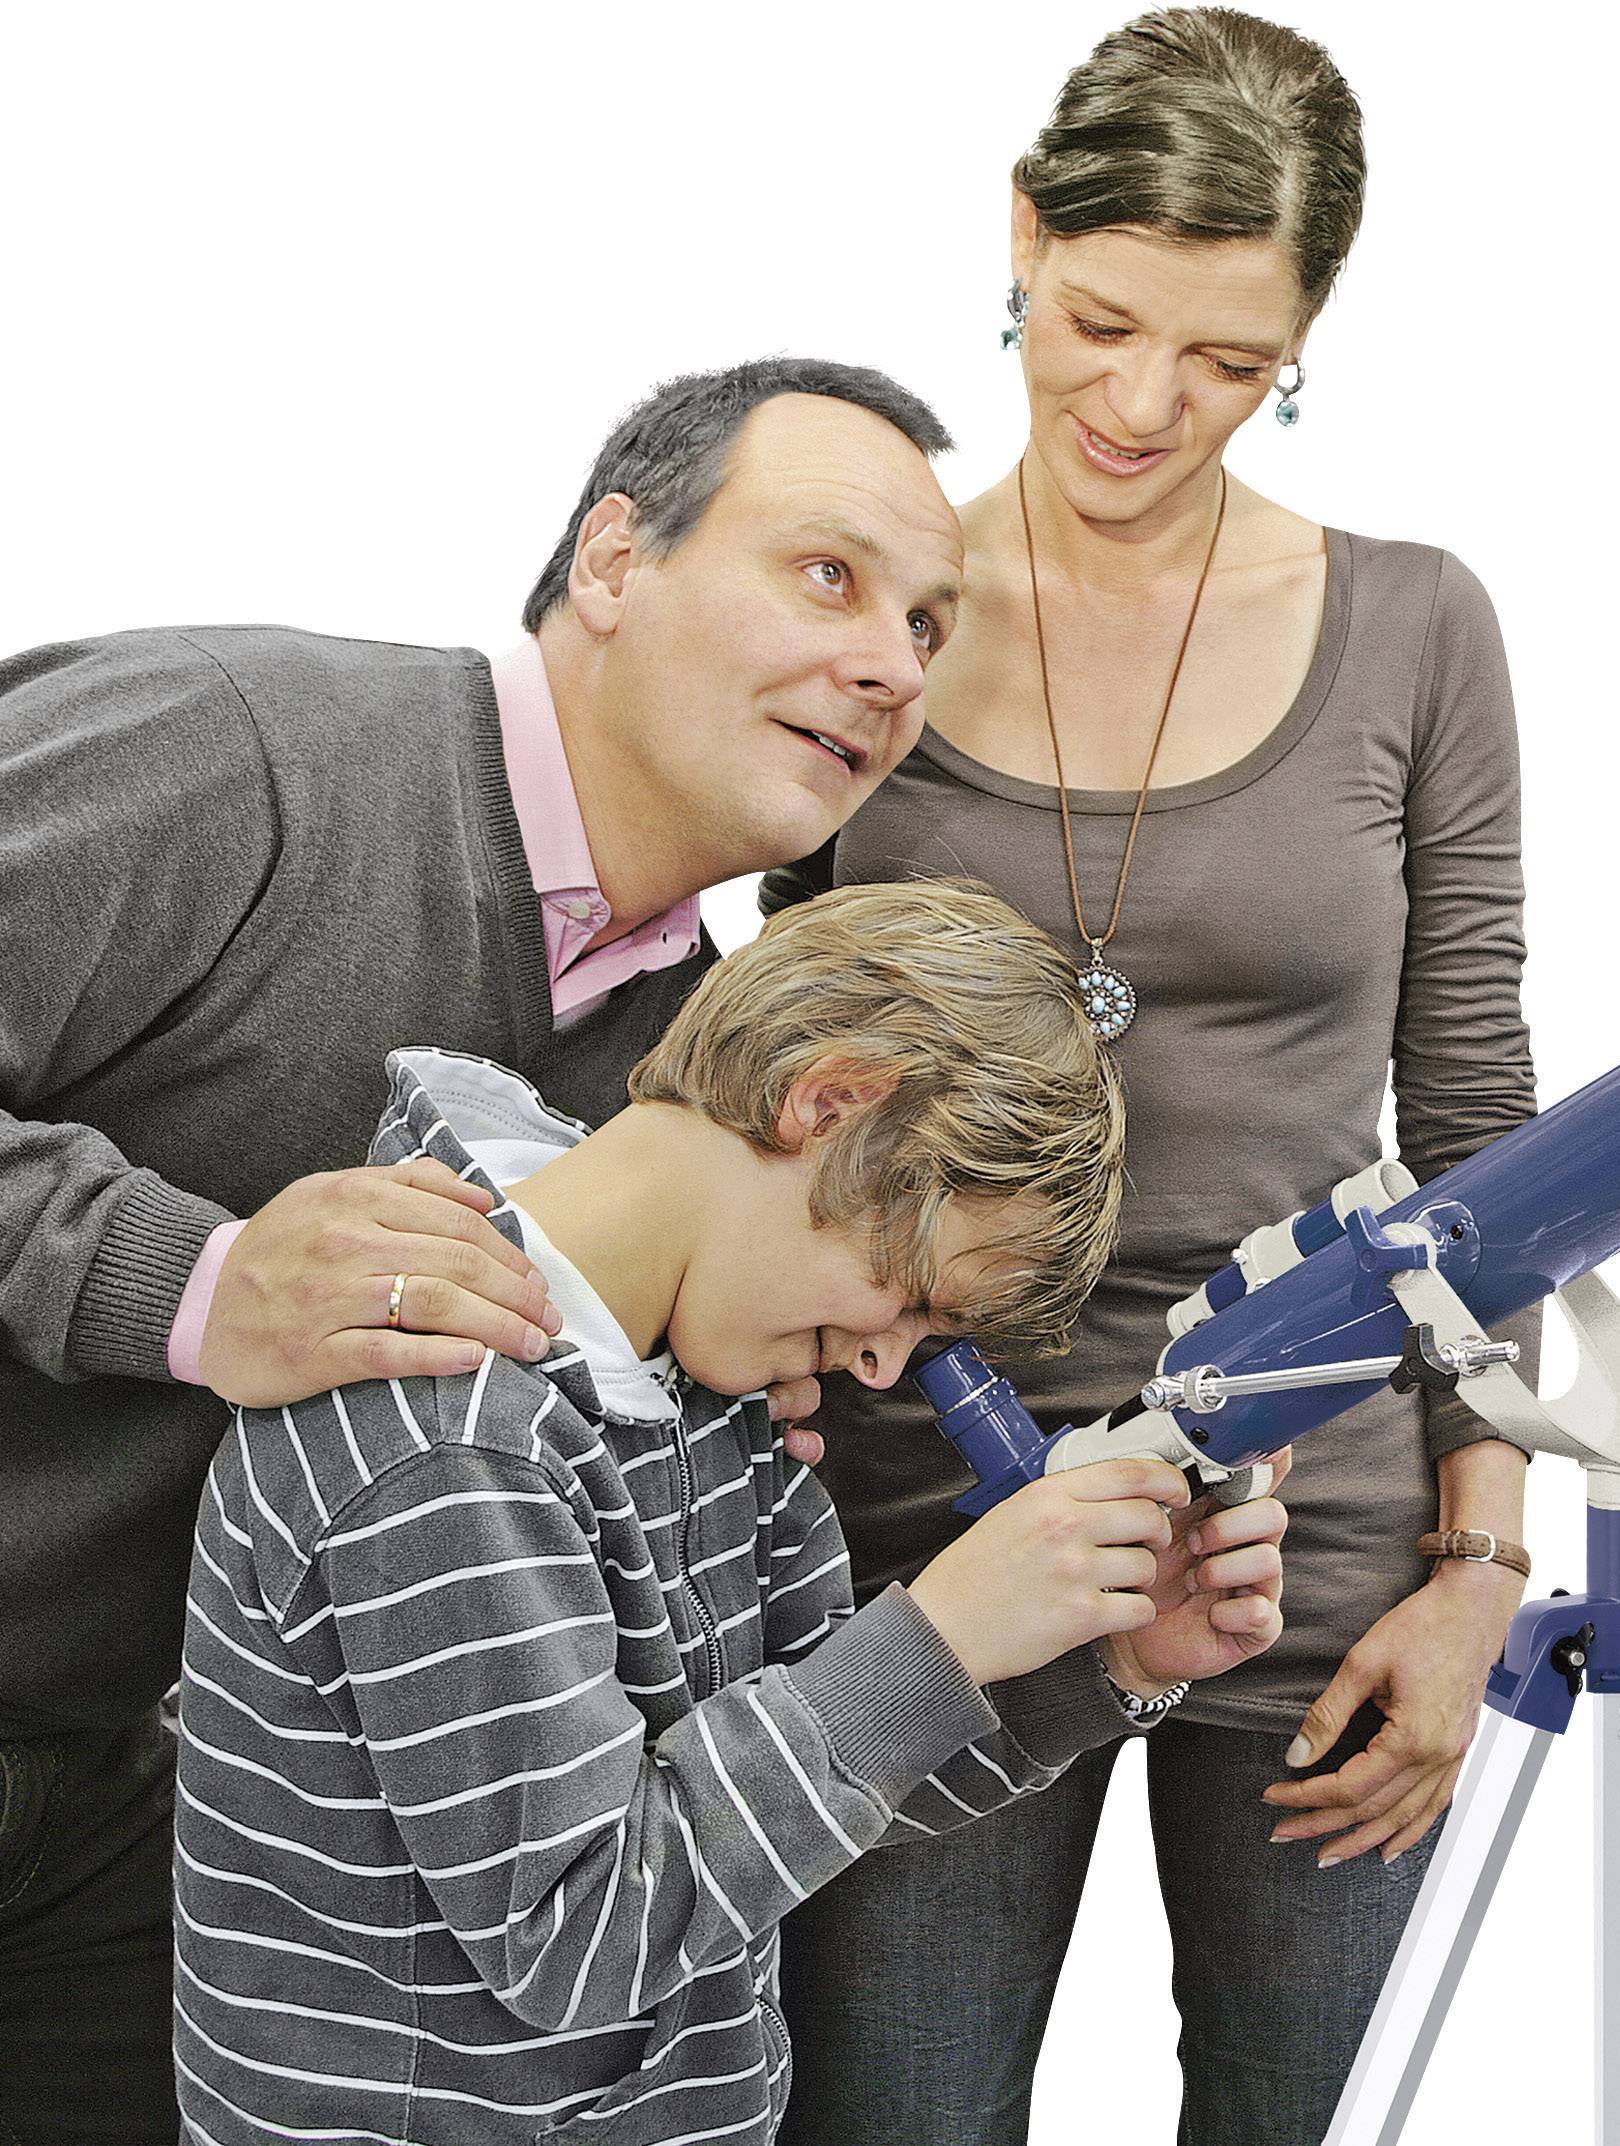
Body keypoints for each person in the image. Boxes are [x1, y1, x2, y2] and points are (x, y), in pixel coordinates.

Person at [0, 356, 973, 2142]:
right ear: (613, 560)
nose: (893, 662)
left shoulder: (705, 1075)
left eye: (929, 622)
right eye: (830, 576)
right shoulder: (233, 752)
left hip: (135, 1811)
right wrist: (196, 1288)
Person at [765, 14, 1540, 2142]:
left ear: (1304, 331)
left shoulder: (1410, 627)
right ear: (1017, 239)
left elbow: (1477, 1123)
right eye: (1097, 320)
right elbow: (730, 1070)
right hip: (923, 1516)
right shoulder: (865, 603)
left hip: (1318, 1535)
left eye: (1222, 355)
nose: (1136, 402)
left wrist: (1476, 1570)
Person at [172, 880, 1292, 2144]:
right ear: (828, 1100)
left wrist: (1101, 1660)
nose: (882, 1365)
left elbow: (788, 1808)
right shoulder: (444, 1437)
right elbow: (581, 1941)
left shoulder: (703, 1384)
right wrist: (941, 1631)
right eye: (911, 1294)